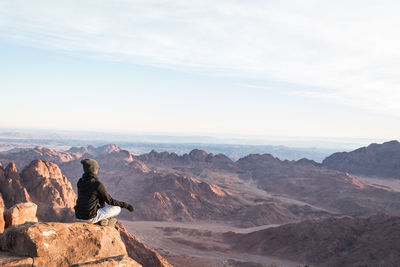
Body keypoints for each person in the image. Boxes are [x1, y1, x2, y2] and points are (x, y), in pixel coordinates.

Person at [74, 158, 134, 226]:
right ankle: (99, 221)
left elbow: (88, 199)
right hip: (89, 218)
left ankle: (100, 220)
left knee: (99, 206)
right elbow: (110, 201)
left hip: (78, 217)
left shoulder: (80, 181)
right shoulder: (97, 184)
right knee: (117, 208)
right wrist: (126, 205)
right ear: (94, 170)